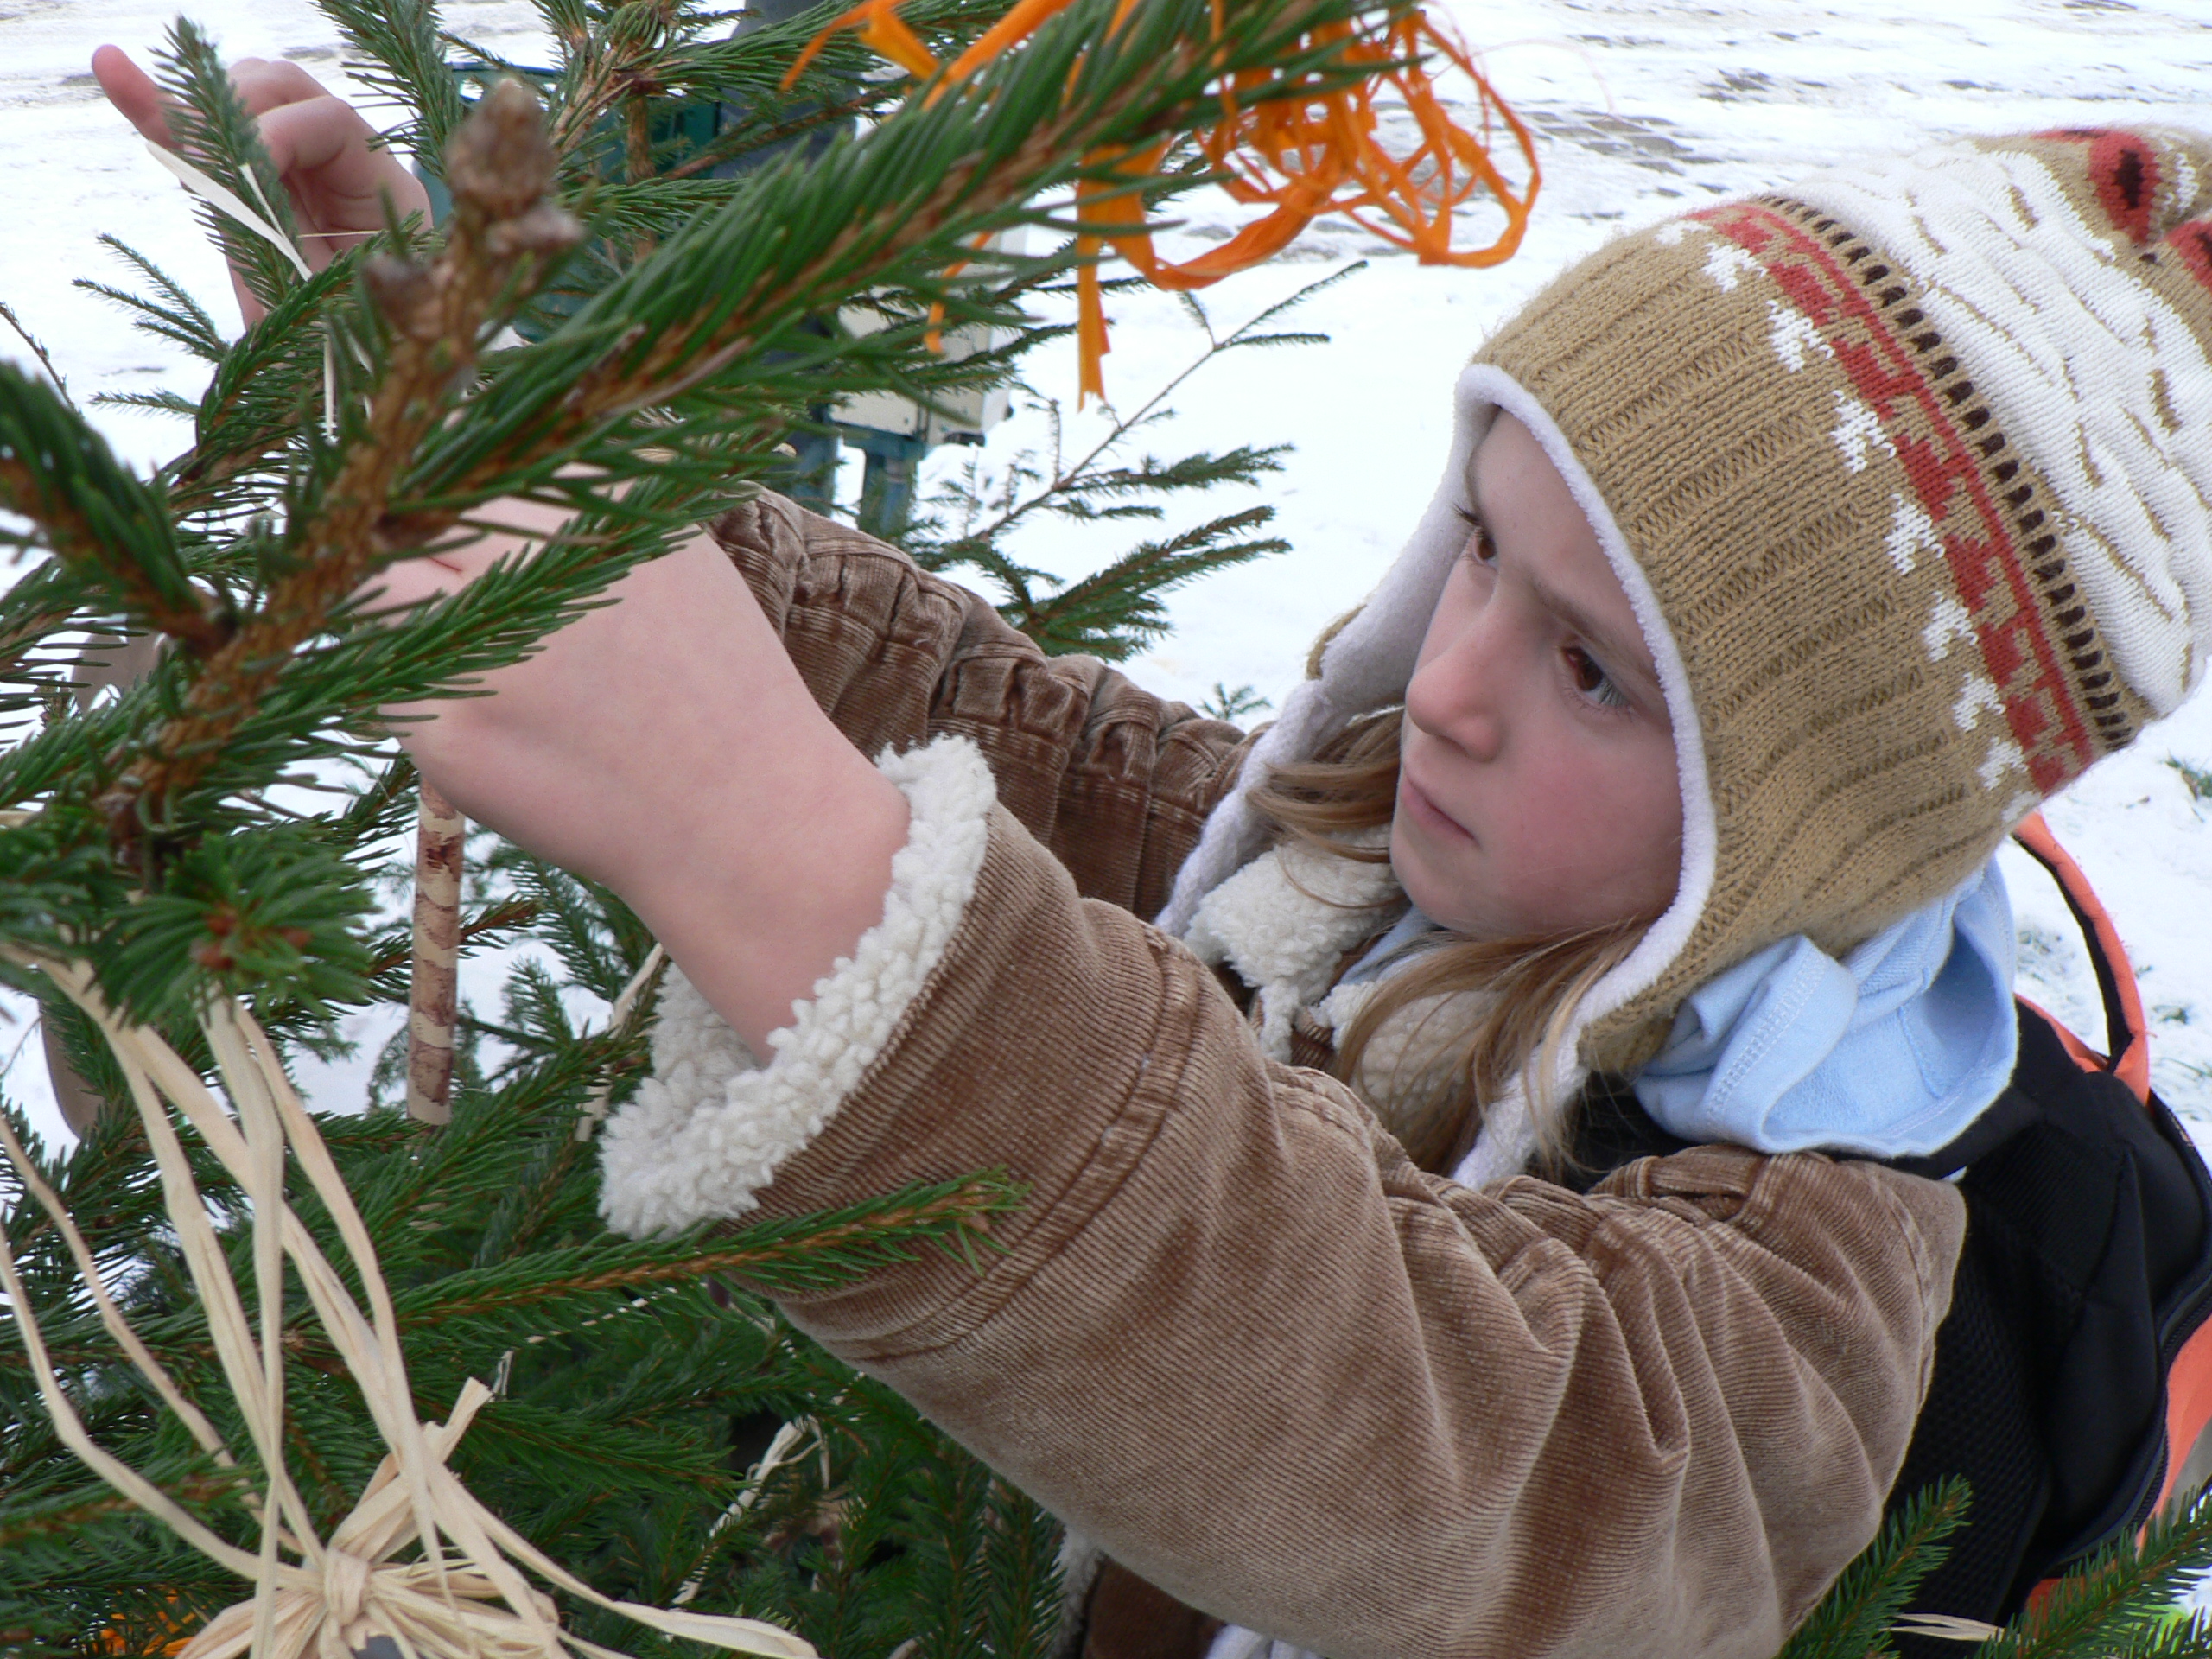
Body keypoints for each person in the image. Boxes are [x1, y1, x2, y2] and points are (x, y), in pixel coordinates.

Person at [92, 51, 2212, 1657]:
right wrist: (519, 418)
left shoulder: (1830, 1264)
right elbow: (995, 720)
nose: (1449, 690)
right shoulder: (1364, 863)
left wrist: (777, 854)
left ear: (1815, 810)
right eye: (1475, 550)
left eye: (1593, 670)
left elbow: (1479, 1462)